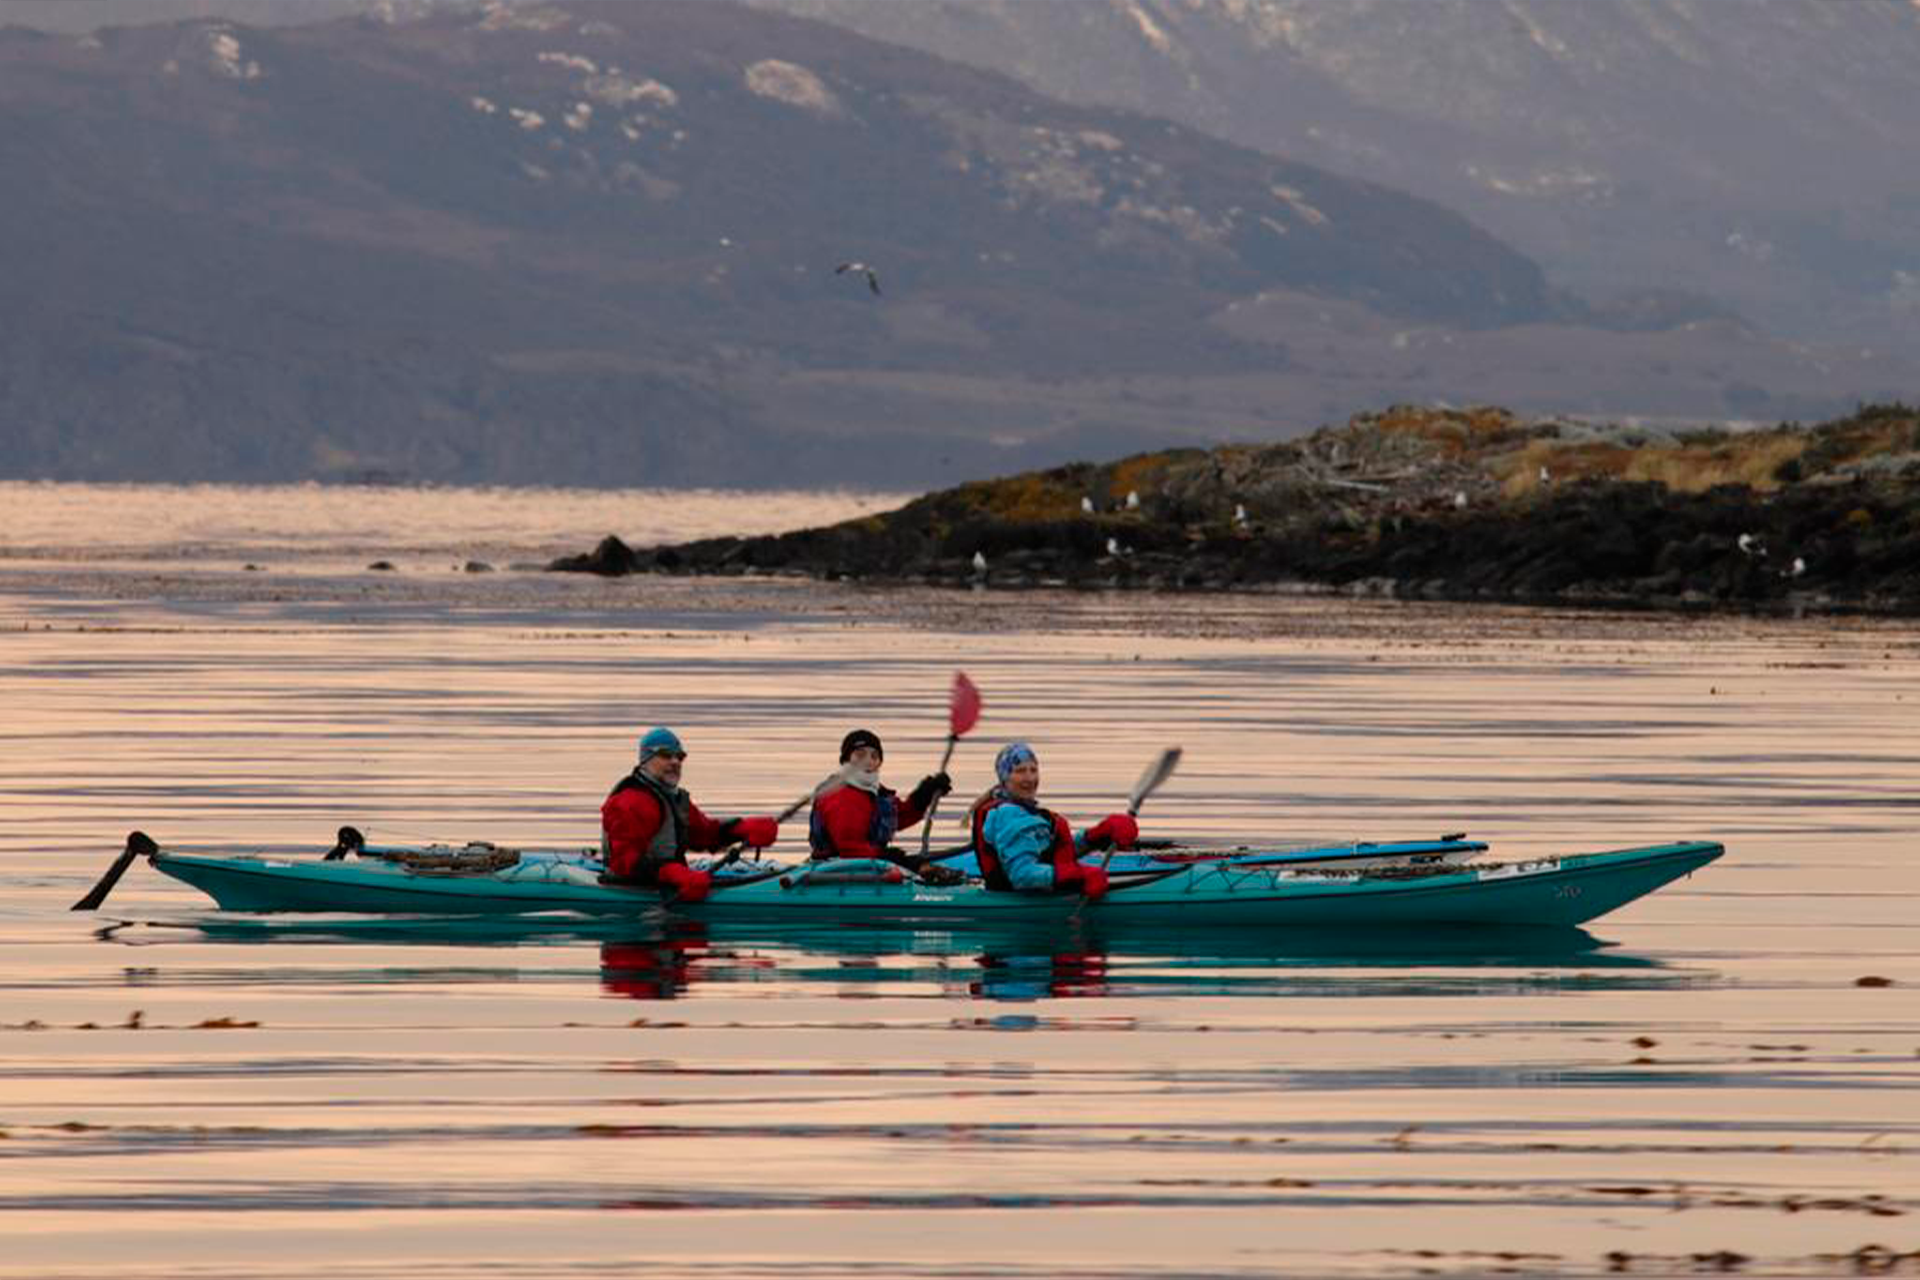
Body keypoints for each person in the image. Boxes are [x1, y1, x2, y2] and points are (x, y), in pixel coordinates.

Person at [601, 727, 778, 903]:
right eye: (666, 755)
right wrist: (672, 873)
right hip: (632, 886)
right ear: (645, 760)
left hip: (670, 883)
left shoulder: (674, 798)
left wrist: (741, 829)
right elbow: (623, 861)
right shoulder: (631, 802)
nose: (675, 762)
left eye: (679, 757)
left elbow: (703, 835)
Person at [968, 742, 1140, 900]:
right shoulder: (1009, 815)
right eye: (1020, 771)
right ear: (1005, 778)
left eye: (1033, 770)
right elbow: (1023, 875)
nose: (1029, 778)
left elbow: (1050, 852)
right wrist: (1079, 874)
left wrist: (1097, 835)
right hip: (1019, 902)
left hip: (1039, 893)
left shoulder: (1024, 811)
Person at [809, 728, 958, 880]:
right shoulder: (840, 796)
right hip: (836, 869)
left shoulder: (872, 791)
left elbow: (899, 817)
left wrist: (925, 794)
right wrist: (890, 857)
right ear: (846, 760)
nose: (868, 761)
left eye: (874, 756)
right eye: (860, 755)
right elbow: (849, 848)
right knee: (917, 866)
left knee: (919, 865)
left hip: (868, 863)